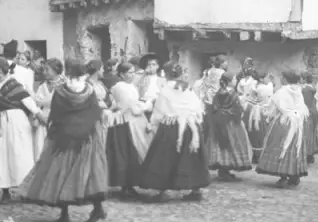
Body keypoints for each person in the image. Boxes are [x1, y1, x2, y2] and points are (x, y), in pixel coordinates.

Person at [17, 59, 109, 222]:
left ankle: (64, 213)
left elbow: (56, 113)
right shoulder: (89, 90)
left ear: (67, 72)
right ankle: (97, 208)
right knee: (89, 172)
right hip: (87, 136)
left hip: (64, 135)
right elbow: (95, 112)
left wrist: (53, 129)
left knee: (60, 172)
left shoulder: (61, 90)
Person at [0, 57, 46, 203]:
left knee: (19, 155)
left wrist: (40, 116)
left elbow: (28, 102)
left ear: (0, 71)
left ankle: (27, 189)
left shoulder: (14, 85)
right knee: (1, 156)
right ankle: (5, 190)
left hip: (16, 124)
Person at [138, 62, 210, 202]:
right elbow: (198, 107)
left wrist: (153, 124)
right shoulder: (188, 89)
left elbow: (159, 111)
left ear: (166, 74)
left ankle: (162, 189)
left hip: (171, 126)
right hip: (189, 125)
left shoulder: (165, 90)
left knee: (165, 156)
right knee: (190, 157)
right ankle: (195, 189)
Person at [257, 70, 309, 188]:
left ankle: (283, 176)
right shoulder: (299, 91)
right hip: (297, 124)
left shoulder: (281, 92)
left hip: (283, 123)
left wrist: (265, 113)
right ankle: (294, 175)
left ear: (285, 79)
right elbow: (301, 108)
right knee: (295, 148)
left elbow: (272, 109)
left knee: (280, 147)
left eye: (281, 77)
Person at [106, 61, 150, 197]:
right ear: (122, 74)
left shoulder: (130, 86)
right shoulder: (121, 87)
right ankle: (126, 184)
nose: (133, 75)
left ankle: (131, 183)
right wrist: (147, 105)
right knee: (129, 151)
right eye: (130, 72)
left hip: (136, 120)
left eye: (133, 72)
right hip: (128, 122)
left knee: (136, 151)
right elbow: (131, 107)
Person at [206, 71, 253, 180]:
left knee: (220, 144)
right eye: (234, 79)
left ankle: (223, 169)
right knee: (232, 143)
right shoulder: (232, 93)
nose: (236, 81)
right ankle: (226, 168)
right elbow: (237, 108)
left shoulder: (219, 92)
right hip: (231, 122)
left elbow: (214, 107)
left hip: (219, 121)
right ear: (230, 81)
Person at [33, 58, 66, 158]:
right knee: (40, 150)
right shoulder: (42, 86)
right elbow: (36, 104)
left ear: (56, 70)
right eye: (44, 69)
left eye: (47, 69)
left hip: (59, 121)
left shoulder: (64, 85)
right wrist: (39, 116)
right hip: (43, 120)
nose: (44, 72)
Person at [241, 71, 272, 164]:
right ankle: (259, 155)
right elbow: (267, 103)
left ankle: (254, 154)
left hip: (250, 111)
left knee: (252, 133)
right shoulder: (265, 88)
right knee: (261, 134)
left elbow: (247, 97)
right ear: (261, 79)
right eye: (267, 77)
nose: (269, 79)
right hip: (260, 113)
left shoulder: (253, 85)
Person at [301, 73, 318, 164]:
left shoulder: (305, 90)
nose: (300, 80)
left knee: (306, 134)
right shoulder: (312, 88)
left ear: (304, 79)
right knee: (312, 133)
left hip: (307, 113)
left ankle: (307, 154)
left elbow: (305, 103)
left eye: (301, 78)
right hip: (313, 112)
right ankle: (311, 155)